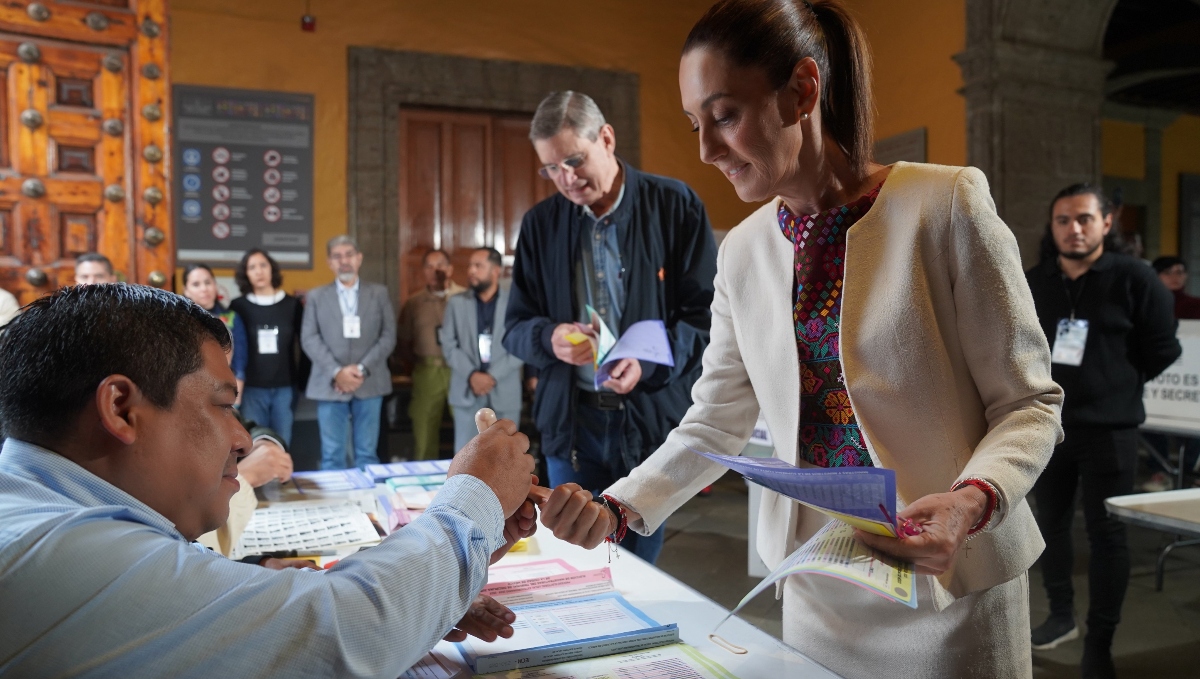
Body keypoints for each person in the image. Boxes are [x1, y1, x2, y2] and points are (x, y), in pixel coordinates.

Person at [537, 1, 1064, 676]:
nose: (705, 150)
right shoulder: (745, 251)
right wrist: (618, 506)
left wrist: (971, 500)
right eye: (696, 124)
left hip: (947, 579)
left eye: (724, 116)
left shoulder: (945, 205)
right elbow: (715, 421)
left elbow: (1029, 403)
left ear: (803, 90)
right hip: (820, 577)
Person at [0, 284, 539, 677]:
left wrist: (431, 590)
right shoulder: (65, 554)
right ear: (121, 408)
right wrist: (473, 498)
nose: (240, 439)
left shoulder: (42, 506)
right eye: (221, 406)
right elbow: (346, 628)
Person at [504, 91, 718, 565]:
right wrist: (550, 339)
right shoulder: (541, 224)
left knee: (640, 563)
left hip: (648, 418)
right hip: (573, 424)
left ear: (607, 138)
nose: (566, 179)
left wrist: (645, 361)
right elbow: (515, 327)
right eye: (551, 169)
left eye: (574, 161)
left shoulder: (674, 205)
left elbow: (706, 319)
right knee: (575, 558)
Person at [1026, 184, 1181, 677]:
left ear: (1106, 223)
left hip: (1110, 430)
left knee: (1107, 536)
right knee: (1049, 528)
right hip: (1047, 427)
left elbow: (1164, 348)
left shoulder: (1135, 278)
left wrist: (1117, 382)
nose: (1075, 229)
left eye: (1085, 219)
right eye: (1064, 220)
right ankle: (1061, 615)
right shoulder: (1034, 281)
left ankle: (1100, 641)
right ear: (1051, 228)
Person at [301, 235, 397, 469]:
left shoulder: (379, 293)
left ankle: (368, 504)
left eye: (349, 255)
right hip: (330, 382)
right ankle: (337, 505)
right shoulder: (315, 297)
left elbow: (388, 336)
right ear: (329, 263)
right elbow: (309, 338)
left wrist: (361, 370)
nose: (344, 261)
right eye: (337, 256)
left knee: (367, 453)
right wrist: (337, 372)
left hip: (370, 382)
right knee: (332, 454)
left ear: (359, 258)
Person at [441, 247, 524, 453]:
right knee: (466, 458)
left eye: (478, 266)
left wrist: (492, 376)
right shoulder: (456, 303)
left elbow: (521, 346)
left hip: (504, 390)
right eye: (470, 265)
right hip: (467, 390)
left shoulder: (515, 304)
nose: (471, 271)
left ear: (496, 270)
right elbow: (449, 345)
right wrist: (472, 375)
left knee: (506, 458)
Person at [230, 248, 303, 446]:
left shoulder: (291, 305)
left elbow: (302, 345)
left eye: (263, 265)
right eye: (252, 267)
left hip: (285, 387)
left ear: (272, 269)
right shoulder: (238, 306)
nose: (259, 271)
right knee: (255, 444)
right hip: (252, 388)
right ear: (245, 274)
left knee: (283, 443)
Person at [397, 249, 465, 460]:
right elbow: (404, 342)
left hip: (462, 371)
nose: (436, 271)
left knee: (468, 431)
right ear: (423, 271)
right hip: (427, 371)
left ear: (450, 269)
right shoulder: (414, 303)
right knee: (424, 431)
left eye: (441, 265)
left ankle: (470, 481)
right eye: (430, 266)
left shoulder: (466, 298)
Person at [181, 263, 248, 399]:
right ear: (186, 290)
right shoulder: (180, 320)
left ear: (215, 285)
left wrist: (236, 399)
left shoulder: (231, 318)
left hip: (224, 390)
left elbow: (240, 361)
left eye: (208, 282)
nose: (204, 288)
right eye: (196, 284)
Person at [1152, 255, 1200, 320]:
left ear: (1186, 275)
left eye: (1179, 272)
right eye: (1167, 272)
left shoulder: (1196, 305)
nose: (1174, 277)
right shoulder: (1147, 304)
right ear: (1155, 275)